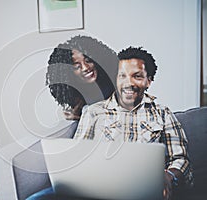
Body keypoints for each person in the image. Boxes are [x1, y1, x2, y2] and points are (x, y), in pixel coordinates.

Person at [27, 46, 193, 200]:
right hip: (99, 189)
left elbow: (181, 159)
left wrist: (169, 176)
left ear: (148, 81)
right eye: (122, 75)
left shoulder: (163, 113)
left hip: (142, 191)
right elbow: (77, 159)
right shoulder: (92, 112)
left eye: (137, 76)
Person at [46, 35, 118, 120]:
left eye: (88, 61)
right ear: (68, 73)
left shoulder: (115, 85)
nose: (85, 68)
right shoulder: (76, 97)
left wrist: (80, 117)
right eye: (76, 67)